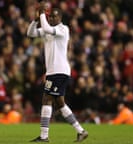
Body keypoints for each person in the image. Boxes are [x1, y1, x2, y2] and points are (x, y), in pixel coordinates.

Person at [27, 1, 88, 142]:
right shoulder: (47, 30)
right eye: (51, 17)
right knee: (60, 103)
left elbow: (47, 29)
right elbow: (30, 33)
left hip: (59, 71)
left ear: (60, 18)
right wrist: (36, 20)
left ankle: (44, 136)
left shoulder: (63, 29)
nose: (52, 19)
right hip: (52, 72)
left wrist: (42, 13)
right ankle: (81, 131)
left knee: (47, 99)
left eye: (55, 17)